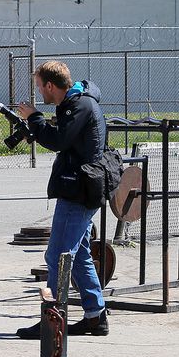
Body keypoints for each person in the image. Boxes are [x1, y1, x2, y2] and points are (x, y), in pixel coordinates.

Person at [15, 61, 109, 339]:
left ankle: (52, 322)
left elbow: (58, 140)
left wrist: (35, 118)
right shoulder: (76, 104)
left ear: (50, 86)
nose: (38, 93)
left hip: (78, 191)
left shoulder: (78, 106)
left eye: (39, 87)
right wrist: (36, 122)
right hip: (79, 188)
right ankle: (95, 317)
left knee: (57, 256)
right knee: (78, 255)